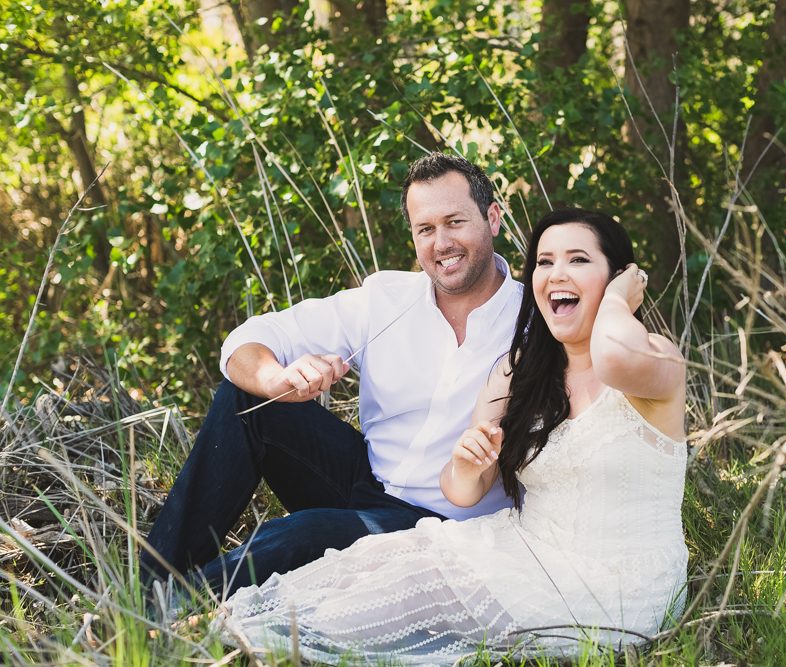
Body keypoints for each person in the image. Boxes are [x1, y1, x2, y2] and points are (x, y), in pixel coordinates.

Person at [220, 208, 689, 664]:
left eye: (579, 260)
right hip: (522, 548)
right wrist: (467, 464)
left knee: (403, 594)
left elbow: (611, 357)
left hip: (620, 584)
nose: (555, 274)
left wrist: (616, 300)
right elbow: (461, 490)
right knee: (370, 566)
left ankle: (252, 636)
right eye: (545, 263)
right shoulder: (520, 370)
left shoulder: (654, 361)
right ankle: (209, 620)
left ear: (619, 278)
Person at [140, 153, 523, 597]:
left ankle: (164, 612)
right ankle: (152, 582)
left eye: (455, 222)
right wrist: (276, 380)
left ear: (493, 218)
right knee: (246, 399)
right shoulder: (386, 298)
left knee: (299, 535)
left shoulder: (534, 322)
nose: (441, 243)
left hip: (448, 526)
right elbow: (250, 338)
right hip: (364, 483)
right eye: (425, 229)